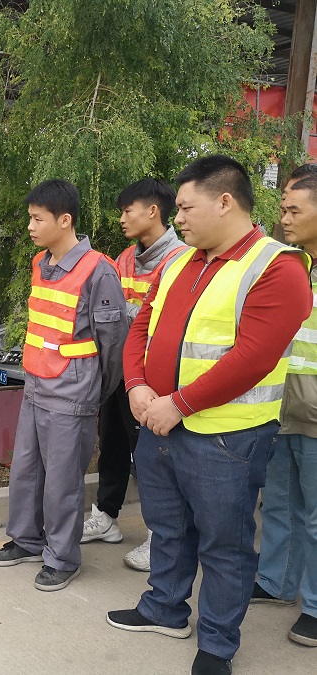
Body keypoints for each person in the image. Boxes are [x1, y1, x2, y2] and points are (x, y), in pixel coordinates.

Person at [106, 155, 311, 675]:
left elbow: (254, 357)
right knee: (167, 528)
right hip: (159, 424)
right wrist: (136, 385)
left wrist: (178, 404)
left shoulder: (278, 267)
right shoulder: (181, 262)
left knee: (226, 546)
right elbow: (141, 327)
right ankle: (164, 608)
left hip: (225, 439)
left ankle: (217, 644)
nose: (176, 218)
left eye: (185, 207)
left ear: (224, 202)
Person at [0, 179, 127, 591]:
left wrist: (95, 391)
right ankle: (27, 540)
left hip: (71, 393)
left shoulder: (98, 270)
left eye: (37, 219)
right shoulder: (40, 263)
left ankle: (63, 557)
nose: (30, 226)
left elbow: (113, 344)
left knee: (63, 481)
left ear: (64, 220)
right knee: (26, 470)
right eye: (30, 218)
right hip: (36, 385)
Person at [82, 179, 186, 573]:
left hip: (154, 378)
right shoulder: (125, 257)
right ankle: (106, 517)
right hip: (120, 370)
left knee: (151, 457)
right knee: (111, 442)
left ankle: (160, 537)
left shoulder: (181, 259)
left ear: (153, 211)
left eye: (128, 211)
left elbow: (164, 321)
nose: (122, 218)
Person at [248, 164, 317, 648]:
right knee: (279, 501)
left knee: (315, 513)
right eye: (283, 209)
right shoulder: (291, 266)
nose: (285, 219)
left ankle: (315, 604)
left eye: (294, 210)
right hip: (281, 404)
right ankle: (276, 581)